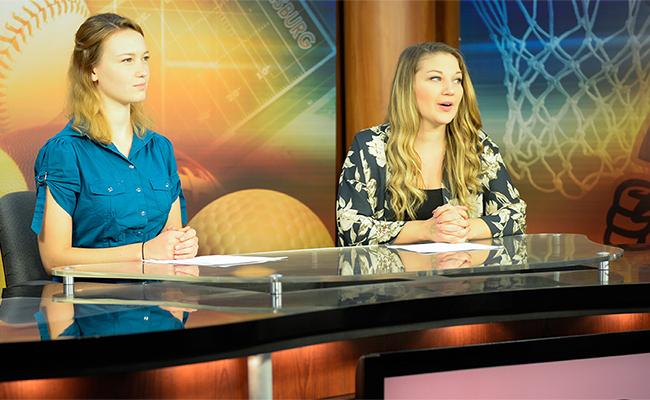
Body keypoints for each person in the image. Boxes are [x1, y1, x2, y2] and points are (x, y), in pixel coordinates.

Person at [31, 13, 198, 273]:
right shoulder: (65, 151)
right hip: (95, 306)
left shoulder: (160, 149)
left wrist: (182, 246)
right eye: (127, 60)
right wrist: (143, 253)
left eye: (144, 58)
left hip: (158, 302)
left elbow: (171, 239)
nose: (142, 71)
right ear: (91, 70)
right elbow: (54, 259)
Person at [337, 42, 526, 246]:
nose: (450, 90)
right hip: (393, 277)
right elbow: (351, 226)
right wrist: (426, 229)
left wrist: (464, 228)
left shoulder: (478, 145)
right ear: (408, 85)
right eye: (436, 78)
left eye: (457, 80)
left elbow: (515, 214)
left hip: (461, 275)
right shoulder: (370, 145)